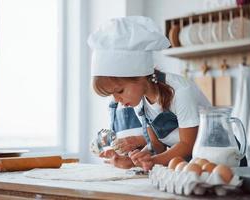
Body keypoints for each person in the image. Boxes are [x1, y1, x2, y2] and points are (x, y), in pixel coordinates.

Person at [88, 16, 211, 171]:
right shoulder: (140, 102)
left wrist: (152, 161)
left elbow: (187, 144)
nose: (118, 100)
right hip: (189, 168)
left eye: (119, 91)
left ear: (140, 75)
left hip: (218, 164)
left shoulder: (181, 91)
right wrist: (135, 161)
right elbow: (157, 146)